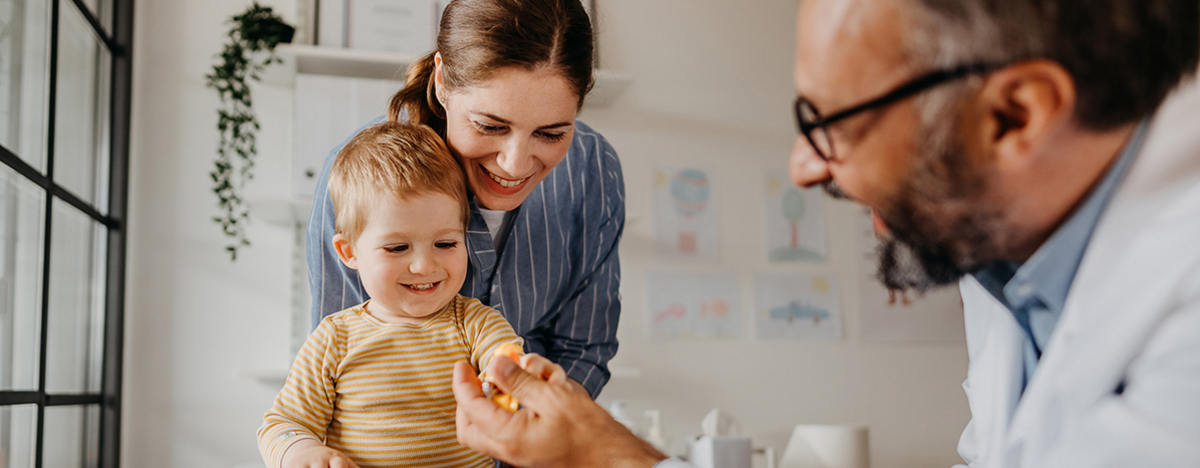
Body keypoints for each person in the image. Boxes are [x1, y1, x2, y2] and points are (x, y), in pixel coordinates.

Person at [448, 0, 1200, 467]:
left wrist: (613, 458)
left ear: (1016, 115)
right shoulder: (1006, 263)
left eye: (830, 123)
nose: (803, 168)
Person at [306, 0, 624, 400]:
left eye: (550, 134)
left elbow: (583, 349)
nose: (514, 164)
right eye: (490, 125)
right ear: (442, 82)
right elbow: (340, 364)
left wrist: (527, 435)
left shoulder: (592, 168)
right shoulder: (358, 179)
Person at [260, 122, 525, 468]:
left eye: (445, 243)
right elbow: (284, 422)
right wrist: (301, 452)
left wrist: (504, 380)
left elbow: (505, 358)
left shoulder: (474, 323)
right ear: (349, 252)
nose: (424, 265)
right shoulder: (334, 339)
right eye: (398, 247)